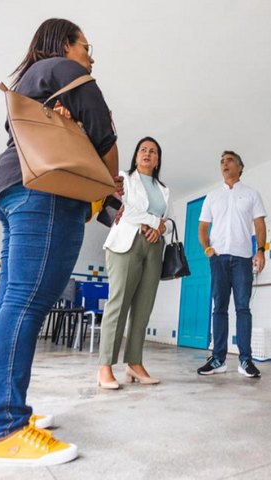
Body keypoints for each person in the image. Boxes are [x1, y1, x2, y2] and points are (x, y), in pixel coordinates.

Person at [0, 18, 120, 466]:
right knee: (26, 302)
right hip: (48, 193)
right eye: (86, 46)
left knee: (10, 302)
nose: (91, 56)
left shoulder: (32, 79)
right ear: (64, 44)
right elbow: (104, 136)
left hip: (14, 190)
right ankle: (7, 431)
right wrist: (110, 177)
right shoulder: (62, 69)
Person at [96, 137, 170, 389]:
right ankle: (105, 367)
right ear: (136, 155)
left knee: (143, 307)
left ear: (158, 159)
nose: (148, 153)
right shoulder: (122, 178)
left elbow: (165, 220)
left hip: (153, 246)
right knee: (118, 304)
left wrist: (160, 229)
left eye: (153, 151)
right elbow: (121, 208)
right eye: (143, 150)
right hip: (126, 243)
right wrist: (153, 222)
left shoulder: (164, 189)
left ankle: (134, 364)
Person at [197, 151, 267, 378]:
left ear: (240, 166)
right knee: (219, 308)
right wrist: (207, 249)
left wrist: (261, 251)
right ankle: (218, 359)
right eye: (222, 161)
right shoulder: (212, 196)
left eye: (229, 160)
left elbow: (259, 224)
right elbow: (202, 227)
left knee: (243, 308)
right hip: (218, 258)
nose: (224, 164)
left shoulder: (251, 194)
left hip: (243, 258)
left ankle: (245, 361)